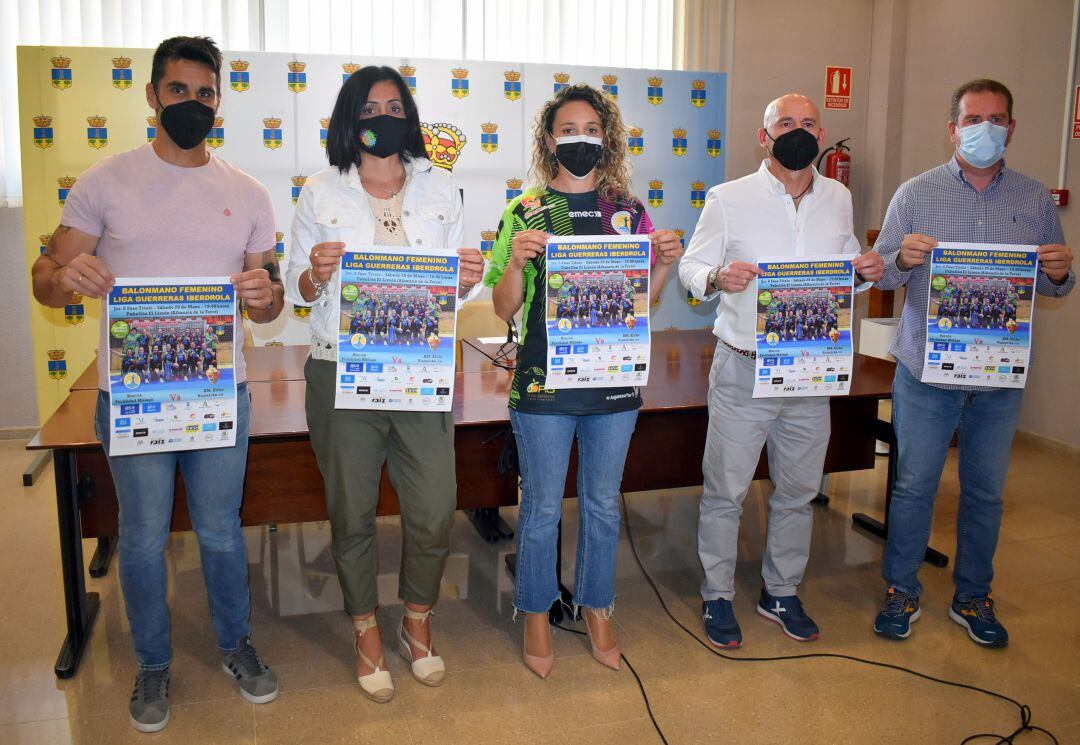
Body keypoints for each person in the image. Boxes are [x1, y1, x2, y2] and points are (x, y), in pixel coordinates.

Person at [29, 36, 282, 733]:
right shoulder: (105, 182)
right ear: (151, 96)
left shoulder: (248, 191)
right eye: (179, 91)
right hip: (135, 395)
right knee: (141, 537)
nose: (192, 104)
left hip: (215, 393)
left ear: (218, 103)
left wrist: (264, 295)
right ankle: (152, 660)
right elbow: (45, 279)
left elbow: (269, 300)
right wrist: (66, 278)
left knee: (222, 532)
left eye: (206, 94)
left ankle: (236, 645)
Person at [285, 66, 484, 703]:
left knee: (432, 510)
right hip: (340, 371)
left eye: (394, 106)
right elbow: (296, 291)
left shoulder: (443, 188)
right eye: (370, 107)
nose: (383, 116)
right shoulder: (318, 191)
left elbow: (456, 285)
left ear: (410, 116)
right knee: (352, 512)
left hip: (419, 372)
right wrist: (316, 275)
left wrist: (466, 277)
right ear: (351, 118)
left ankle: (416, 623)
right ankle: (367, 630)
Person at [484, 83, 683, 678]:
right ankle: (538, 612)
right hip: (544, 385)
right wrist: (517, 261)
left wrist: (665, 264)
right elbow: (500, 307)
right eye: (568, 130)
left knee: (601, 503)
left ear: (607, 138)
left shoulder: (627, 211)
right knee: (541, 507)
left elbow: (640, 303)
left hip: (614, 385)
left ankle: (597, 607)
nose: (580, 140)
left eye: (591, 130)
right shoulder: (525, 212)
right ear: (550, 139)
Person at [870, 79, 1074, 647]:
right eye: (973, 118)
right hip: (926, 371)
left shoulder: (1034, 200)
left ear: (1011, 128)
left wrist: (1058, 272)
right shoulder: (914, 193)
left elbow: (1053, 288)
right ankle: (901, 590)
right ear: (952, 127)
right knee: (913, 487)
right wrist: (899, 258)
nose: (985, 127)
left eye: (997, 118)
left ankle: (972, 594)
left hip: (999, 376)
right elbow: (882, 272)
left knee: (985, 492)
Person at [680, 94, 884, 648]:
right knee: (726, 491)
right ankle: (717, 594)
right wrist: (718, 276)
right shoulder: (729, 198)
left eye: (808, 124)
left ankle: (781, 590)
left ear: (822, 134)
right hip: (744, 367)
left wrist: (864, 273)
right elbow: (690, 267)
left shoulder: (838, 197)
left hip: (810, 370)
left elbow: (842, 271)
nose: (798, 131)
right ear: (763, 136)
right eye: (785, 124)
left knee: (798, 491)